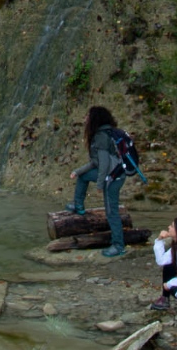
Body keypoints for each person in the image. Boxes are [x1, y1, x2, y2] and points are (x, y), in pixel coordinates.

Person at [66, 105, 129, 259]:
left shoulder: (101, 136)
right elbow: (95, 163)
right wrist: (77, 171)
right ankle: (78, 206)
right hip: (112, 174)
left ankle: (118, 245)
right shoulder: (104, 133)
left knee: (111, 211)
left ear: (95, 119)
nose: (85, 118)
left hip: (113, 177)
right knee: (83, 176)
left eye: (88, 116)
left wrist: (100, 184)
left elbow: (105, 163)